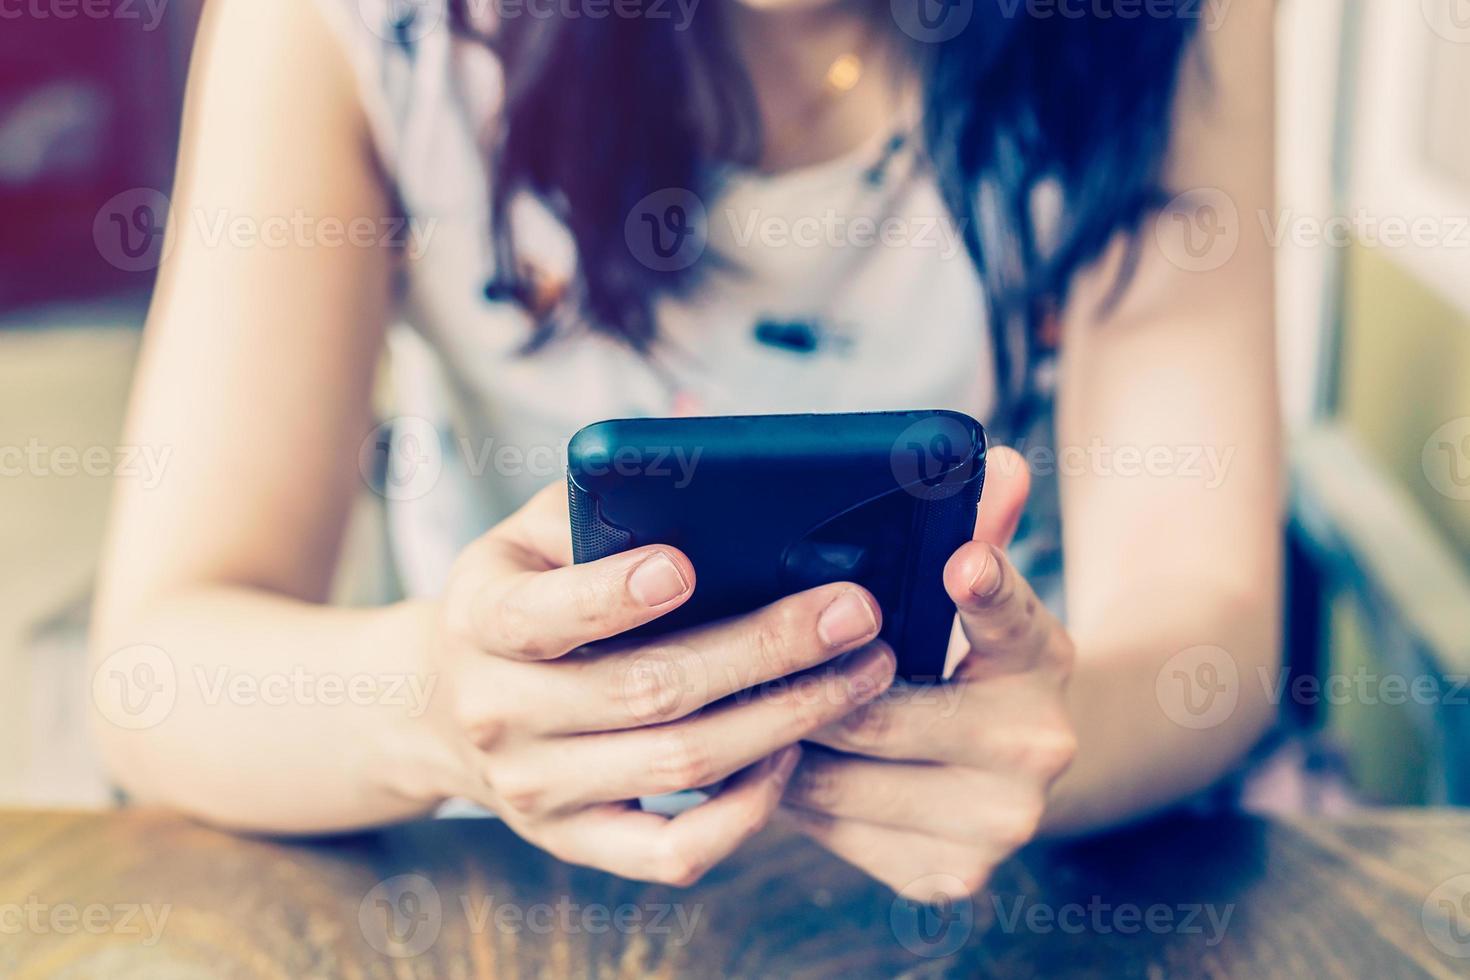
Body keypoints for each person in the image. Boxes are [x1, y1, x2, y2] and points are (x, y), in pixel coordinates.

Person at [91, 0, 1280, 900]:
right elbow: (157, 675)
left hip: (1032, 861)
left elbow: (1206, 621)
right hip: (523, 865)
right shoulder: (348, 30)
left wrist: (1053, 739)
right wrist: (438, 705)